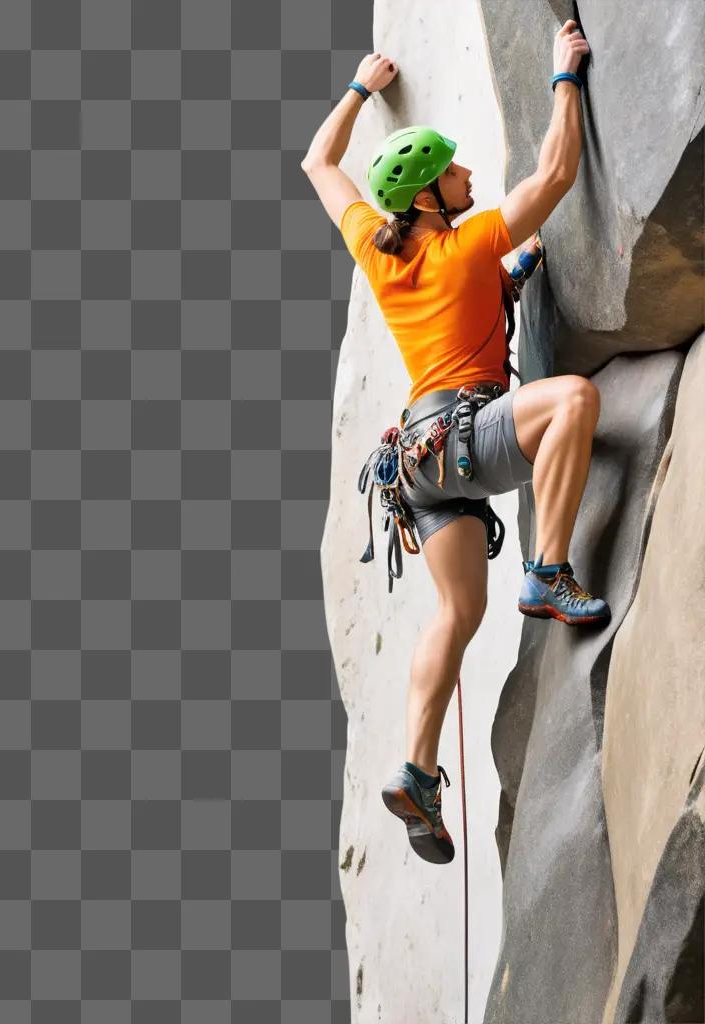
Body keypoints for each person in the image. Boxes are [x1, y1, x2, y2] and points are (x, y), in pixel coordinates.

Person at [301, 22, 599, 864]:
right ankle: (547, 570)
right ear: (431, 194)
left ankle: (420, 772)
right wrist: (563, 77)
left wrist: (360, 88)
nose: (470, 173)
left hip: (417, 468)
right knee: (574, 400)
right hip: (465, 436)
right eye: (456, 168)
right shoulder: (469, 242)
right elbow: (558, 172)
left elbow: (318, 167)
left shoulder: (381, 250)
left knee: (457, 610)